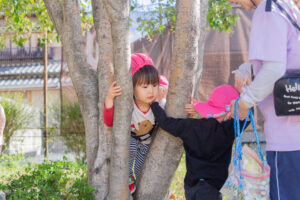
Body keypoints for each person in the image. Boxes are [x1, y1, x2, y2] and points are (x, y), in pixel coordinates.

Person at [228, 0, 300, 199]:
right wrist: (249, 68)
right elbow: (288, 61)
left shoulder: (267, 11)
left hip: (288, 139)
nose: (230, 1)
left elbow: (274, 70)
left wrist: (244, 102)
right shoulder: (287, 7)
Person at [150, 85, 247, 200]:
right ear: (230, 112)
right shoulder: (229, 129)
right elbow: (246, 116)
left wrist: (154, 103)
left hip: (191, 186)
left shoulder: (191, 126)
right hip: (212, 188)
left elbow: (165, 122)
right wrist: (244, 93)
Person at [103, 53, 159, 194]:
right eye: (144, 87)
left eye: (154, 85)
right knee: (132, 146)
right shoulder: (130, 106)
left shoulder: (158, 106)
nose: (151, 91)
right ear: (132, 88)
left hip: (146, 141)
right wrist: (109, 98)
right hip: (132, 137)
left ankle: (138, 181)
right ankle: (128, 177)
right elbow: (109, 121)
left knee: (142, 164)